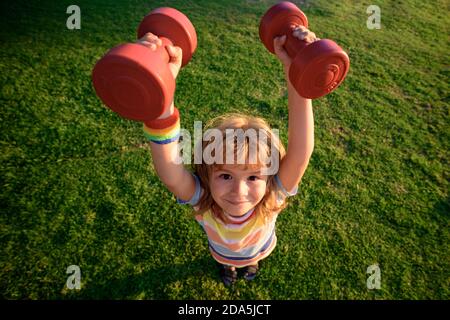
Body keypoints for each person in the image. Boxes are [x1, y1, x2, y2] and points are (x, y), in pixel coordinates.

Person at [138, 25, 317, 286]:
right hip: (221, 251)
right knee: (227, 261)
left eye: (254, 177)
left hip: (261, 246)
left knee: (253, 258)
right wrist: (162, 86)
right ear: (206, 174)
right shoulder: (203, 201)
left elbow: (301, 151)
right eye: (224, 175)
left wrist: (296, 68)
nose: (239, 191)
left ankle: (251, 264)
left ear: (270, 176)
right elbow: (169, 171)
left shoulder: (273, 194)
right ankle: (229, 268)